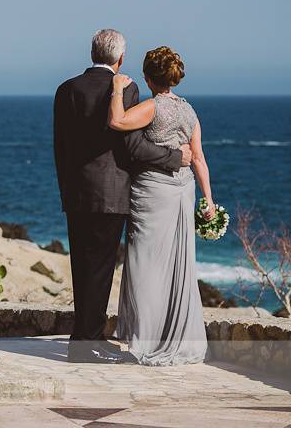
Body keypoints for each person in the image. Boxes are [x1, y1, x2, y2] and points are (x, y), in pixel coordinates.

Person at [53, 30, 192, 364]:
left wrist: (66, 190)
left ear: (92, 52)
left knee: (82, 268)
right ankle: (87, 343)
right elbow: (130, 145)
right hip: (112, 192)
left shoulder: (65, 89)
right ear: (120, 59)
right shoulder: (126, 88)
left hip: (76, 193)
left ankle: (81, 339)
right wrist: (174, 158)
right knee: (100, 270)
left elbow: (61, 146)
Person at [108, 46, 212, 365]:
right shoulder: (189, 111)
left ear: (149, 78)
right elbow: (199, 159)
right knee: (177, 267)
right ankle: (174, 335)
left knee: (144, 265)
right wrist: (209, 199)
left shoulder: (153, 107)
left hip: (153, 192)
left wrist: (115, 89)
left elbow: (117, 121)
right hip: (185, 191)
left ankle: (145, 338)